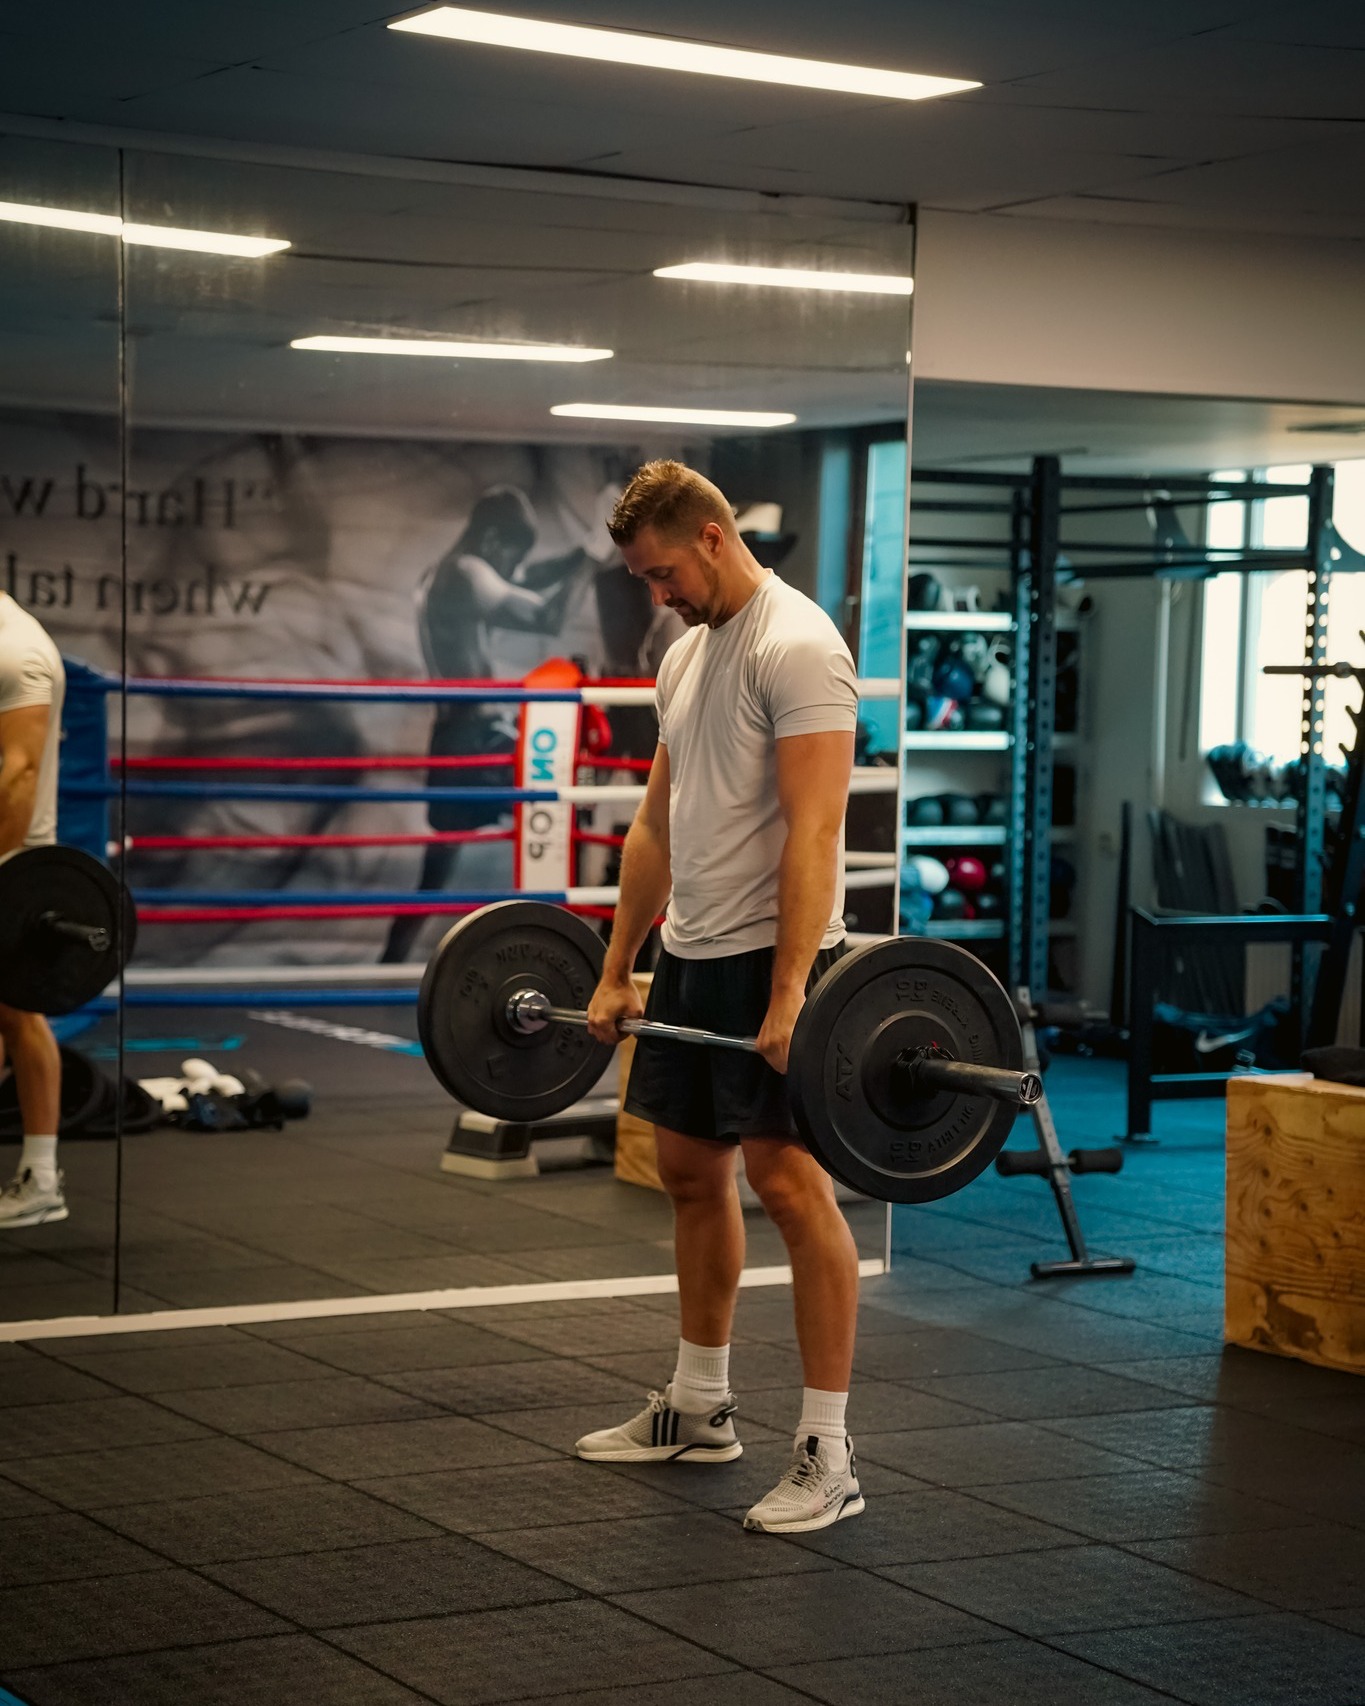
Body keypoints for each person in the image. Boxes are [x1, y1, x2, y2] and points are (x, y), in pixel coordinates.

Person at [576, 460, 864, 1534]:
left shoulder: (798, 645)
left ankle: (828, 1451)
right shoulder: (685, 654)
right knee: (691, 1169)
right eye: (644, 580)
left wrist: (790, 991)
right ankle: (700, 1404)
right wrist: (617, 966)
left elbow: (816, 831)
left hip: (778, 955)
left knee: (790, 1187)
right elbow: (656, 823)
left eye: (662, 573)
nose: (659, 595)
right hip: (696, 951)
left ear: (710, 534)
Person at [380, 486, 577, 964]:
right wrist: (591, 562)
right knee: (557, 816)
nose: (512, 571)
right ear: (492, 540)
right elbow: (548, 617)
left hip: (456, 733)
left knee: (439, 867)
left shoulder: (445, 572)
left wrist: (586, 551)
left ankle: (388, 961)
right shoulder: (469, 573)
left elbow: (531, 574)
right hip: (477, 736)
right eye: (509, 557)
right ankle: (572, 952)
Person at [0, 591, 68, 1227]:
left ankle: (43, 1179)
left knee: (19, 1016)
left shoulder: (14, 648)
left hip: (12, 863)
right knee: (12, 1017)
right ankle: (39, 1176)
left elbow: (18, 775)